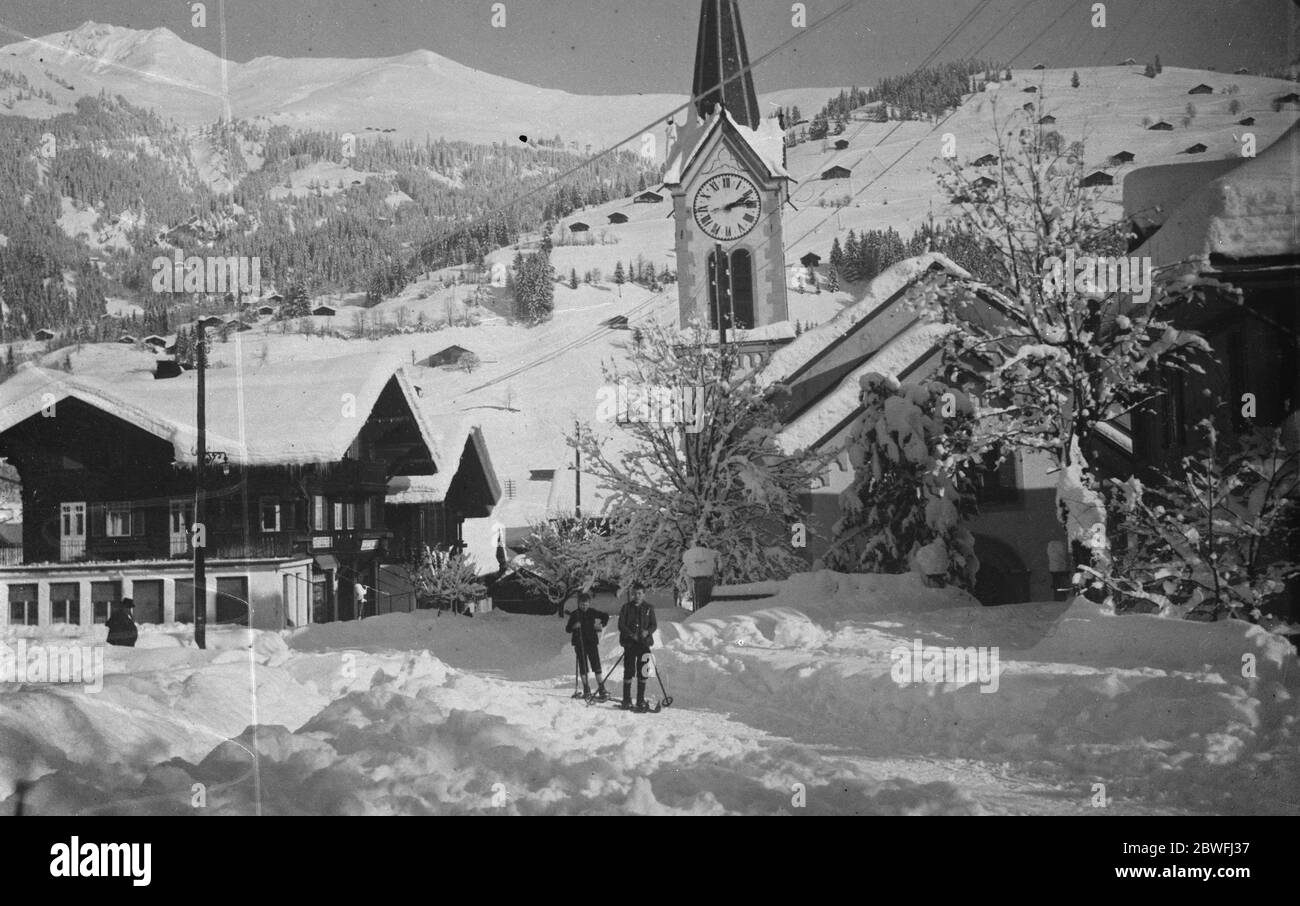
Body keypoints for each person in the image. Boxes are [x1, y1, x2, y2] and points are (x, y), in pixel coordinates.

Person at [617, 581, 658, 711]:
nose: (637, 596)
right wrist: (630, 634)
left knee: (643, 672)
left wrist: (647, 632)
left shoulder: (649, 608)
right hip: (630, 644)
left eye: (639, 593)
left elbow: (654, 624)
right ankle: (626, 700)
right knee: (629, 670)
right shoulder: (626, 607)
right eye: (634, 594)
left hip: (644, 644)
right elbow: (621, 625)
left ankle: (640, 700)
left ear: (644, 594)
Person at [564, 591, 609, 699]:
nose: (584, 606)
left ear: (589, 603)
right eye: (582, 604)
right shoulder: (575, 614)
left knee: (596, 666)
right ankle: (586, 689)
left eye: (586, 604)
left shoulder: (592, 612)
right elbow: (568, 629)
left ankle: (602, 688)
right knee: (583, 667)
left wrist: (600, 625)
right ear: (578, 604)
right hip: (580, 644)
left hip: (592, 642)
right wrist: (574, 626)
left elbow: (605, 616)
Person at [681, 538, 720, 611]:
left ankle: (700, 612)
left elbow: (685, 561)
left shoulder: (691, 554)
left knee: (700, 601)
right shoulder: (708, 553)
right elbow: (716, 556)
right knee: (702, 601)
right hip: (705, 578)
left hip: (699, 579)